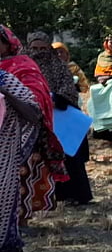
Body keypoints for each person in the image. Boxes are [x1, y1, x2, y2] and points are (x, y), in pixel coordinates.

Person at [0, 26, 66, 223]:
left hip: (19, 130)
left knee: (16, 179)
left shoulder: (22, 65)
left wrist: (6, 93)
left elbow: (35, 102)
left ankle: (18, 221)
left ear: (7, 43)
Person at [26, 32, 92, 205]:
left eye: (42, 48)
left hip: (60, 118)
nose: (38, 52)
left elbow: (68, 88)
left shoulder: (60, 67)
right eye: (34, 48)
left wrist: (53, 97)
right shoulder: (25, 67)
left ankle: (74, 195)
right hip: (31, 118)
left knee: (69, 157)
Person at [0, 69, 41, 252]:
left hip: (3, 159)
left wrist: (5, 93)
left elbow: (34, 114)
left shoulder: (6, 80)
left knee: (4, 212)